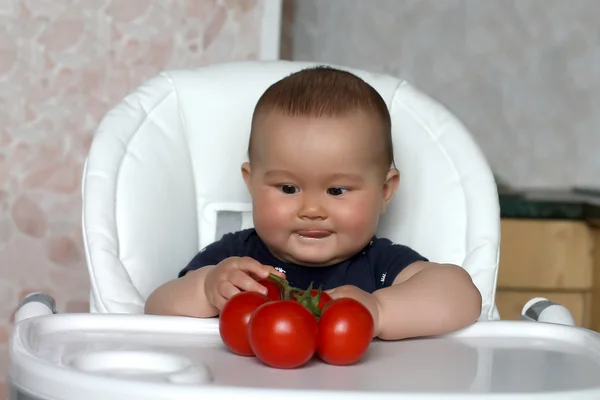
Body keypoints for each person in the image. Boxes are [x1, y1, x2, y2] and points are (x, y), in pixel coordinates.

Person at [145, 66, 482, 340]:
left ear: (385, 191)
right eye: (288, 188)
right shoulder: (239, 263)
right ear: (251, 184)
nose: (311, 210)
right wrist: (207, 289)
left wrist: (380, 311)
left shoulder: (379, 266)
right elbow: (157, 306)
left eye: (337, 191)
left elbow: (462, 296)